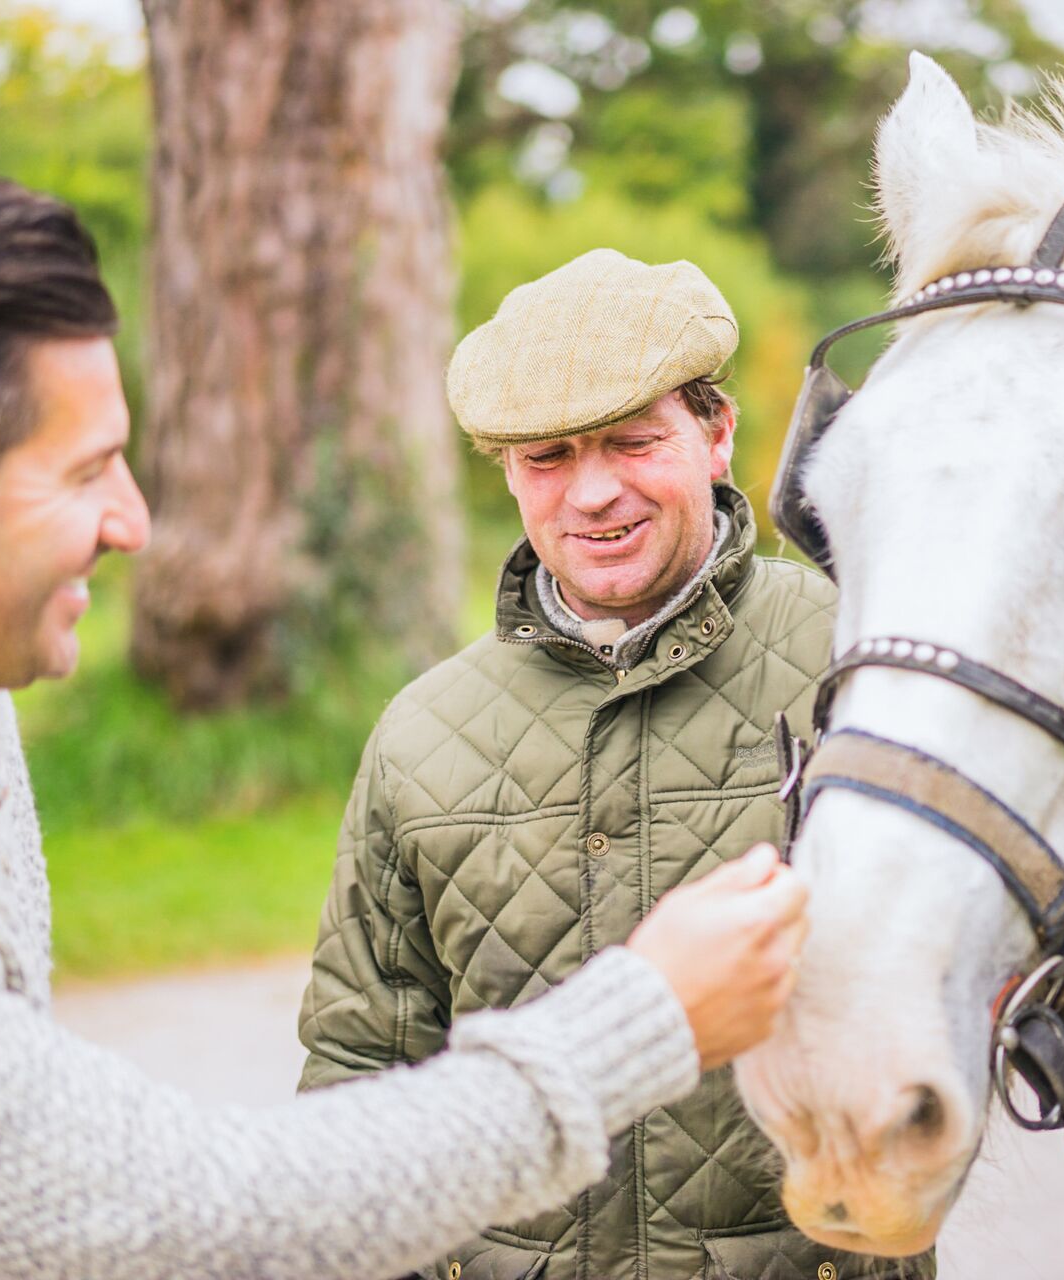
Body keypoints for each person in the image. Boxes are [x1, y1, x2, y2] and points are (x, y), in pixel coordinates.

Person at [0, 179, 808, 1280]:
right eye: (84, 470)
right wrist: (646, 1018)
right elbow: (197, 1212)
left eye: (630, 441)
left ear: (715, 434)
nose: (137, 523)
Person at [294, 249, 907, 1280]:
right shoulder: (419, 732)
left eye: (632, 440)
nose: (592, 492)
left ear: (716, 435)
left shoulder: (865, 659)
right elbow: (360, 1066)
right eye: (547, 457)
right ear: (505, 471)